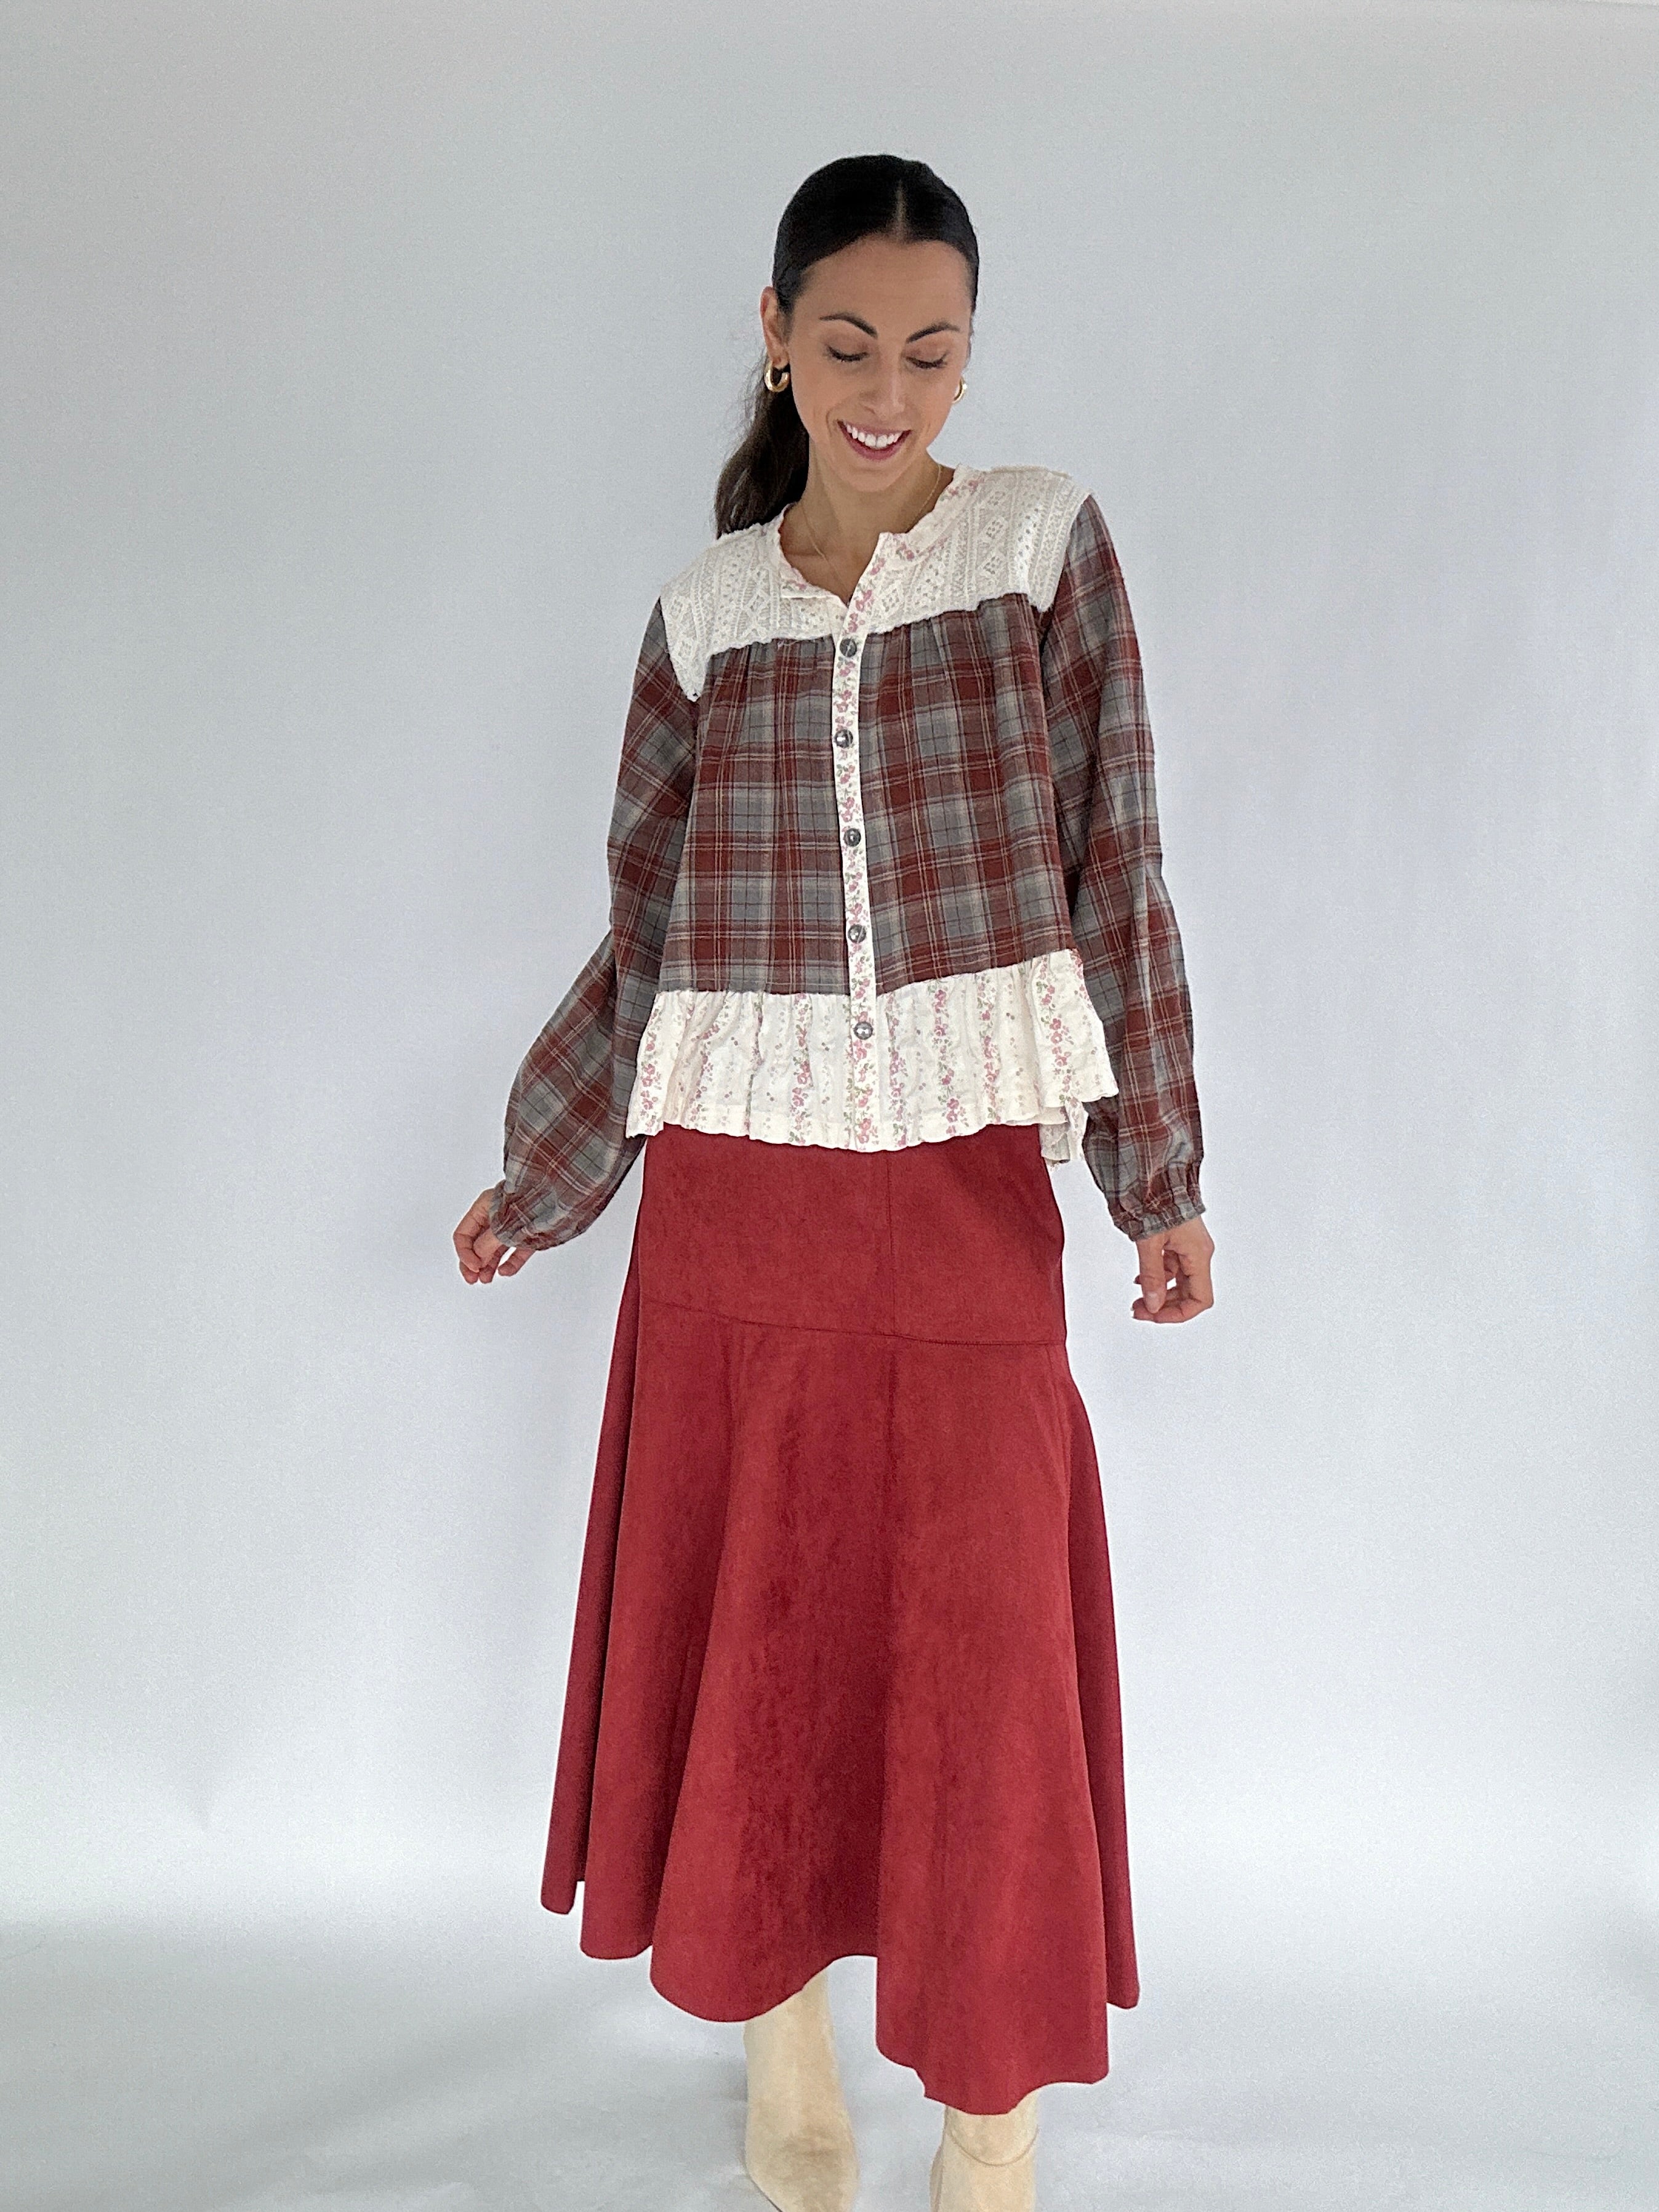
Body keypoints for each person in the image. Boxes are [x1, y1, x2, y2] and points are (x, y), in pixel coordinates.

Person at [453, 151, 1214, 2212]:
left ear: (974, 356)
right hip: (737, 1210)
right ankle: (785, 2041)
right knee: (762, 1624)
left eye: (935, 349)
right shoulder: (700, 620)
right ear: (777, 340)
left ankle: (992, 2111)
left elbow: (1114, 863)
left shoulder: (1044, 550)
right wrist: (543, 1175)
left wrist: (1158, 1173)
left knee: (982, 1649)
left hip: (969, 1191)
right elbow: (646, 932)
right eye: (851, 341)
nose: (891, 387)